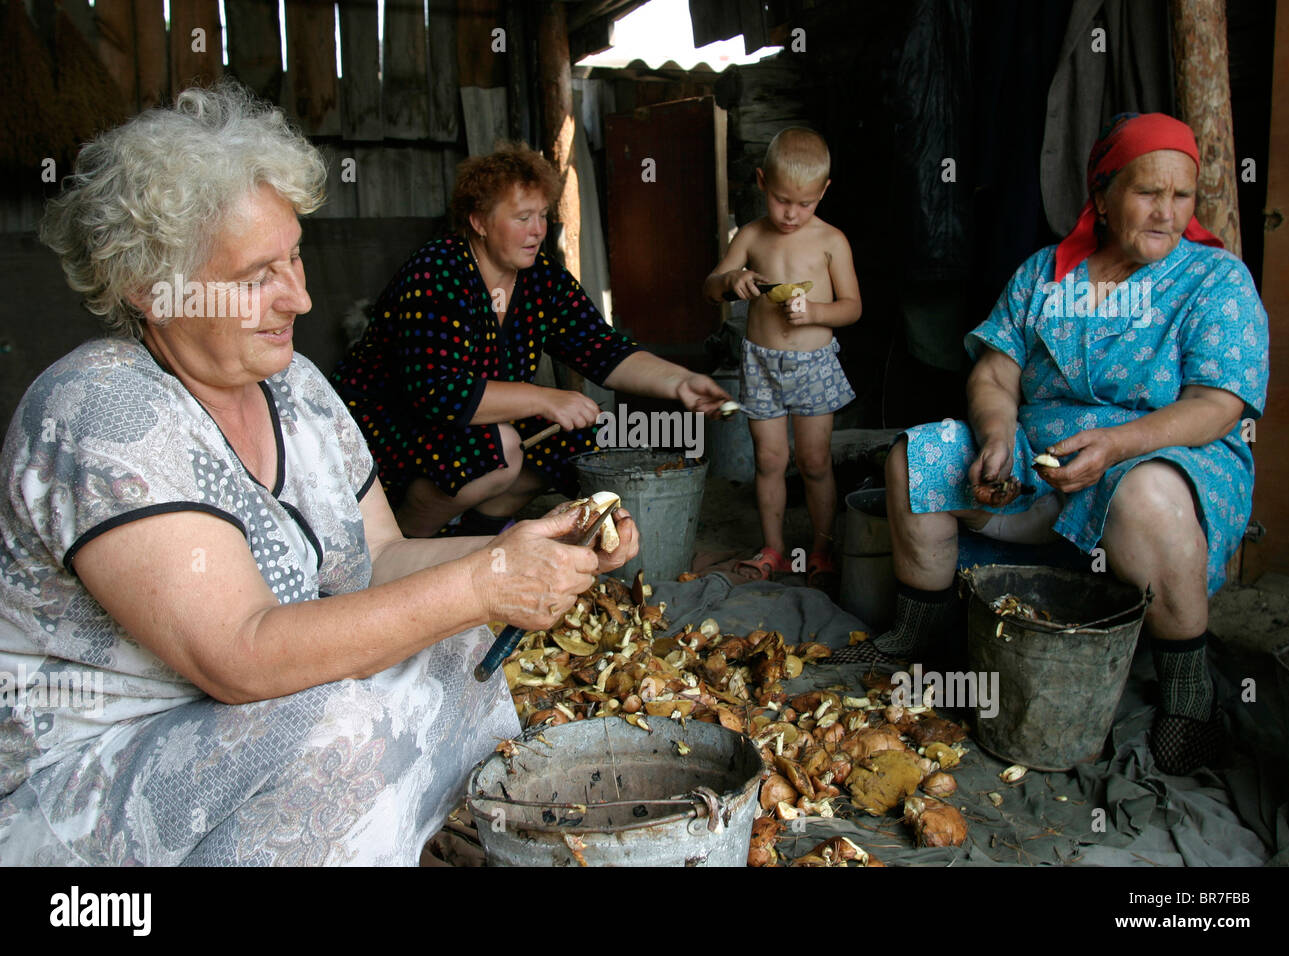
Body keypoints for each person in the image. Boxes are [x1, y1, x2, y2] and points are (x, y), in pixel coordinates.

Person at [0, 82, 640, 865]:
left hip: (234, 727)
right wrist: (483, 584)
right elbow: (241, 654)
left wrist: (525, 549)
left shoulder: (296, 387)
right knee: (343, 724)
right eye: (255, 277)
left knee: (448, 646)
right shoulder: (100, 410)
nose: (298, 298)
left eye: (295, 257)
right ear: (150, 288)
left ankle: (397, 842)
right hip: (88, 770)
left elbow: (379, 559)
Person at [834, 113, 1269, 776]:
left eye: (1182, 195)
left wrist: (1118, 445)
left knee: (1147, 494)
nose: (1167, 212)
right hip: (1037, 464)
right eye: (1148, 192)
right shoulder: (1046, 274)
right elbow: (994, 373)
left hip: (1163, 459)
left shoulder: (1215, 280)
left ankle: (1187, 692)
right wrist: (997, 432)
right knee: (916, 457)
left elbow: (1217, 406)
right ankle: (916, 637)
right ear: (1103, 197)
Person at [331, 143, 732, 538]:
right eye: (523, 217)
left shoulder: (541, 276)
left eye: (542, 215)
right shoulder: (438, 272)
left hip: (467, 421)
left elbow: (601, 348)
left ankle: (475, 536)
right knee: (498, 448)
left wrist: (680, 382)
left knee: (577, 437)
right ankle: (402, 546)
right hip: (386, 421)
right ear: (479, 221)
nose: (538, 230)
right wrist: (545, 399)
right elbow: (437, 393)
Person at [703, 128, 862, 589]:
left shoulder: (832, 241)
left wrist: (814, 313)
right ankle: (773, 548)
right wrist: (731, 281)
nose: (791, 213)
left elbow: (852, 307)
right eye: (780, 200)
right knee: (769, 460)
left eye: (805, 203)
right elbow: (710, 287)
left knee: (814, 462)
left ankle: (821, 551)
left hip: (814, 366)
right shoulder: (751, 236)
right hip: (761, 365)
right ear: (761, 182)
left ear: (823, 192)